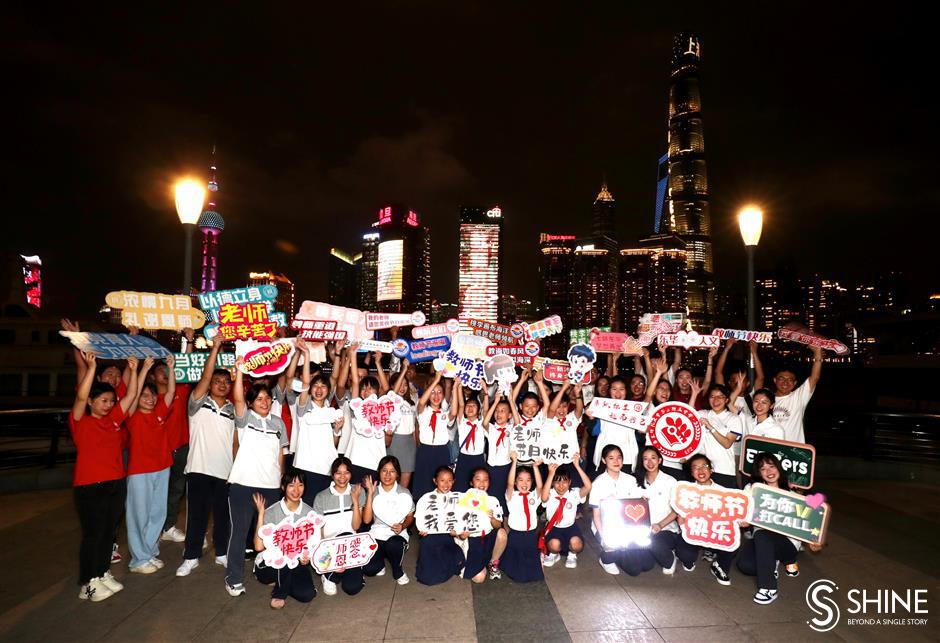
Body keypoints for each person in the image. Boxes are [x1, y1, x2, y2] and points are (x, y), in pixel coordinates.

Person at [70, 352, 140, 602]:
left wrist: (134, 368)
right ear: (91, 402)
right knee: (94, 534)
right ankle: (88, 582)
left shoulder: (113, 420)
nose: (109, 404)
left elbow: (131, 396)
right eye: (103, 400)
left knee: (109, 531)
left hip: (115, 483)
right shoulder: (81, 421)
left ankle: (102, 572)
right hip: (90, 486)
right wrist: (92, 367)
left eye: (111, 400)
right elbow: (80, 395)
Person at [224, 359, 289, 597]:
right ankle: (234, 578)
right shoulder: (245, 419)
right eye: (259, 399)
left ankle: (267, 572)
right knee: (240, 533)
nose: (265, 402)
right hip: (243, 486)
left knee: (270, 534)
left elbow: (280, 455)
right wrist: (240, 371)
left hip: (271, 488)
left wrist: (280, 482)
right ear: (251, 403)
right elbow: (238, 398)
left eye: (267, 398)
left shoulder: (278, 423)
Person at [176, 340, 235, 578]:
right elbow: (205, 376)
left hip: (225, 471)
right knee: (196, 517)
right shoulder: (197, 403)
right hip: (198, 470)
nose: (221, 385)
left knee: (223, 517)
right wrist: (215, 349)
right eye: (216, 381)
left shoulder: (233, 408)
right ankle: (191, 557)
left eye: (226, 382)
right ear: (208, 384)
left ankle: (222, 552)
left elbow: (235, 442)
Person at [736, 453, 822, 604]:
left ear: (779, 468)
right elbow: (742, 511)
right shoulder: (753, 489)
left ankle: (769, 588)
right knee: (745, 566)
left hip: (786, 544)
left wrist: (812, 542)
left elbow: (807, 524)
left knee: (762, 535)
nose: (769, 472)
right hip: (761, 541)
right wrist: (743, 521)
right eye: (763, 469)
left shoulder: (792, 494)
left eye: (772, 466)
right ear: (758, 473)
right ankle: (770, 562)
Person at [125, 356, 176, 574]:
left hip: (162, 467)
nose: (150, 399)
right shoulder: (132, 416)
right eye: (145, 396)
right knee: (139, 514)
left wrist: (171, 369)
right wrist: (144, 369)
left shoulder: (159, 414)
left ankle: (149, 550)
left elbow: (171, 393)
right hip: (140, 471)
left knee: (158, 512)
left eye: (152, 395)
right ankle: (138, 559)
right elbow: (133, 394)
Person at [251, 470, 320, 609]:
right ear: (283, 487)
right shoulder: (272, 511)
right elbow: (258, 547)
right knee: (283, 557)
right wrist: (261, 515)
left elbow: (313, 544)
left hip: (297, 562)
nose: (296, 490)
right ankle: (279, 593)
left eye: (300, 485)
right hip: (270, 565)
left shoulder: (309, 513)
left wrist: (306, 557)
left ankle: (283, 581)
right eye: (291, 485)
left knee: (307, 595)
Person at [292, 341, 344, 503]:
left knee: (322, 511)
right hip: (306, 467)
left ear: (328, 390)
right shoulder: (304, 406)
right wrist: (306, 355)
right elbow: (306, 383)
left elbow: (333, 442)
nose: (319, 389)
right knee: (305, 509)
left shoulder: (330, 409)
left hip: (327, 468)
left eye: (323, 386)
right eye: (316, 386)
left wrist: (337, 430)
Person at [674, 454, 738, 585]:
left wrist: (740, 521)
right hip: (695, 532)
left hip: (716, 533)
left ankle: (720, 566)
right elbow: (681, 517)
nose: (701, 471)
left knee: (733, 540)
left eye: (704, 466)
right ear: (691, 473)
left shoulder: (724, 493)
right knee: (685, 554)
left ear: (711, 470)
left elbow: (733, 517)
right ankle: (690, 558)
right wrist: (681, 522)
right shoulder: (686, 492)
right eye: (696, 468)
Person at [589, 445, 651, 576]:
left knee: (647, 565)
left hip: (629, 527)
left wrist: (644, 496)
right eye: (611, 458)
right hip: (607, 527)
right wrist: (604, 537)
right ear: (604, 461)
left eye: (619, 458)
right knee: (634, 570)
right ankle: (606, 559)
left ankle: (622, 551)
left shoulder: (630, 479)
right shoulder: (598, 483)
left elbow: (639, 501)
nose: (616, 461)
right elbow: (596, 516)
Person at [156, 332, 193, 545]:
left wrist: (188, 340)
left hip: (181, 448)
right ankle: (155, 528)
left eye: (166, 370)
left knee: (176, 490)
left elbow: (186, 365)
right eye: (160, 370)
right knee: (157, 492)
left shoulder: (179, 390)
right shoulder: (148, 398)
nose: (164, 373)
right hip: (159, 452)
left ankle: (168, 526)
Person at [313, 456, 367, 595]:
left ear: (351, 474)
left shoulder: (358, 491)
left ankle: (347, 571)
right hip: (330, 546)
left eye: (346, 472)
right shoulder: (321, 497)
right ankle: (330, 575)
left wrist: (355, 501)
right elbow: (319, 531)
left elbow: (355, 527)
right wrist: (326, 555)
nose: (342, 477)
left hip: (351, 545)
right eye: (338, 473)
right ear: (332, 475)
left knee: (352, 588)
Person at [752, 345, 823, 444]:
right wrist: (754, 352)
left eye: (790, 380)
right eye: (781, 379)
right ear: (775, 380)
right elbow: (760, 378)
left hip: (793, 449)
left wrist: (817, 354)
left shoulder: (799, 397)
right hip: (770, 448)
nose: (785, 383)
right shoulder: (766, 399)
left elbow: (814, 377)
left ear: (794, 383)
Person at [362, 456, 414, 585]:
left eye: (392, 471)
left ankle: (398, 570)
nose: (388, 475)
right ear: (379, 472)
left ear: (397, 474)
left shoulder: (404, 493)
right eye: (384, 470)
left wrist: (403, 526)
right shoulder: (373, 492)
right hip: (377, 535)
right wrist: (369, 494)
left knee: (394, 544)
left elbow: (410, 516)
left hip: (397, 535)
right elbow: (367, 520)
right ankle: (380, 563)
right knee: (369, 570)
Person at [345, 348, 392, 483]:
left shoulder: (383, 409)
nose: (366, 391)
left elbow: (387, 442)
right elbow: (355, 381)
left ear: (377, 392)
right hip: (354, 460)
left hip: (375, 463)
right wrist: (353, 354)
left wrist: (378, 363)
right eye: (363, 388)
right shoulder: (357, 407)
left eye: (370, 388)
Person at [415, 466, 467, 585]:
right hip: (430, 537)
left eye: (449, 480)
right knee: (428, 578)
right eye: (442, 480)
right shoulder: (426, 498)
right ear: (435, 481)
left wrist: (458, 531)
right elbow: (420, 518)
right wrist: (422, 529)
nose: (446, 484)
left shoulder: (458, 498)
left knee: (458, 560)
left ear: (454, 481)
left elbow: (462, 518)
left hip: (448, 537)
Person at [540, 453, 591, 569]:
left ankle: (572, 555)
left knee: (577, 544)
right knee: (554, 545)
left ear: (570, 482)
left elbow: (588, 487)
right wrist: (551, 474)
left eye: (564, 481)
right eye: (557, 482)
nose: (561, 486)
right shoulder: (551, 493)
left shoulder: (574, 494)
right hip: (554, 528)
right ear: (553, 483)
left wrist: (577, 466)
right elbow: (543, 498)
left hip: (570, 527)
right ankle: (554, 554)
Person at [500, 451, 544, 583]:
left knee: (531, 565)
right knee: (516, 564)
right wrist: (514, 462)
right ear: (515, 482)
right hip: (516, 535)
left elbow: (540, 486)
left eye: (528, 480)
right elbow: (508, 484)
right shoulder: (511, 496)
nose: (525, 483)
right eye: (520, 480)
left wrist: (535, 467)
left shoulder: (533, 496)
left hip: (530, 534)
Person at [635, 446, 679, 574]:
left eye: (653, 458)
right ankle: (655, 552)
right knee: (644, 565)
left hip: (666, 529)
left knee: (653, 542)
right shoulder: (636, 481)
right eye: (645, 459)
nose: (650, 462)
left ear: (660, 460)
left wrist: (660, 525)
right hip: (643, 530)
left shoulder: (670, 481)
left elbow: (677, 510)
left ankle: (669, 558)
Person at [413, 370, 457, 500]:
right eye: (432, 392)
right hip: (425, 451)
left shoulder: (444, 413)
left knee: (442, 484)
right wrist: (436, 381)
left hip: (441, 451)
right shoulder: (422, 410)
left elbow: (453, 413)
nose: (436, 396)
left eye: (439, 393)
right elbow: (421, 402)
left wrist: (455, 388)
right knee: (423, 483)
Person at [587, 376, 644, 475]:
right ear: (609, 391)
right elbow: (594, 432)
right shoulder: (602, 407)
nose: (618, 393)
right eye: (614, 389)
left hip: (627, 457)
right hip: (606, 457)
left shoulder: (634, 409)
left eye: (621, 389)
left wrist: (641, 432)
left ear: (626, 391)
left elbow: (639, 438)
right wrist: (591, 418)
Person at [462, 467, 508, 583]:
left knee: (502, 533)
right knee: (479, 578)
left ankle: (493, 562)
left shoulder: (493, 500)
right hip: (472, 541)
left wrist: (491, 517)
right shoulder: (463, 499)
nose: (482, 483)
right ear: (471, 482)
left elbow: (498, 525)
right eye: (478, 479)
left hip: (487, 537)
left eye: (485, 480)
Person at [696, 384, 742, 488]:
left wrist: (710, 427)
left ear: (726, 400)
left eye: (720, 397)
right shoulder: (702, 414)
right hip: (702, 470)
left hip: (724, 470)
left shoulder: (733, 418)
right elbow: (686, 415)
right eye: (712, 396)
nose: (716, 400)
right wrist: (694, 394)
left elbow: (727, 443)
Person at [387, 359, 417, 490]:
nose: (403, 388)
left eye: (406, 385)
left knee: (405, 480)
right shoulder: (390, 401)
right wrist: (404, 369)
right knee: (391, 477)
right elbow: (393, 393)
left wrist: (416, 443)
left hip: (409, 443)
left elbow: (414, 426)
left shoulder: (410, 404)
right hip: (395, 441)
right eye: (400, 384)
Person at [482, 389, 514, 514]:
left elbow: (518, 422)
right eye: (497, 411)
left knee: (503, 497)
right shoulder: (492, 428)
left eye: (503, 411)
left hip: (505, 468)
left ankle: (504, 523)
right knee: (491, 496)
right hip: (491, 468)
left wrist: (510, 399)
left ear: (509, 415)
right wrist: (495, 402)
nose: (498, 413)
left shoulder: (511, 428)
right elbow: (485, 422)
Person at [454, 383, 487, 492]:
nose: (470, 408)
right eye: (468, 406)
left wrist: (485, 389)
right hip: (463, 458)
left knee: (478, 488)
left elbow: (486, 410)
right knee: (460, 486)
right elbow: (461, 404)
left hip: (478, 459)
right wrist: (459, 387)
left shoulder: (482, 423)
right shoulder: (462, 422)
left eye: (473, 406)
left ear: (478, 411)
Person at [580, 375, 610, 479]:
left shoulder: (617, 405)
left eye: (607, 385)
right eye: (600, 385)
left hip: (611, 442)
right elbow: (586, 429)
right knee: (593, 472)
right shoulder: (590, 405)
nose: (604, 388)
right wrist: (583, 446)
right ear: (596, 388)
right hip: (594, 443)